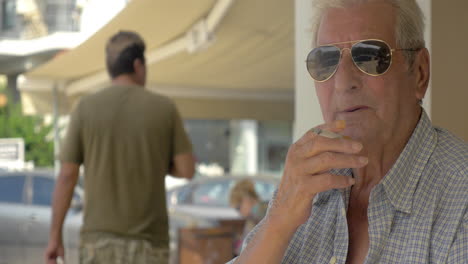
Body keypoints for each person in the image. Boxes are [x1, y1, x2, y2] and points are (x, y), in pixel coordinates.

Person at [229, 0, 467, 263]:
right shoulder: (306, 184)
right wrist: (278, 221)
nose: (343, 83)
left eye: (370, 56)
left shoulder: (461, 200)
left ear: (420, 73)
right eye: (325, 60)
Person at [45, 31, 195, 264]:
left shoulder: (85, 107)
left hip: (99, 242)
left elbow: (66, 176)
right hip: (150, 245)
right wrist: (156, 161)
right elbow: (187, 170)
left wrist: (55, 236)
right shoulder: (164, 108)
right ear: (138, 65)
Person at [229, 179, 269, 255]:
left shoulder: (255, 215)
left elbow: (243, 250)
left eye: (238, 208)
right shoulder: (265, 208)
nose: (239, 213)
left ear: (246, 199)